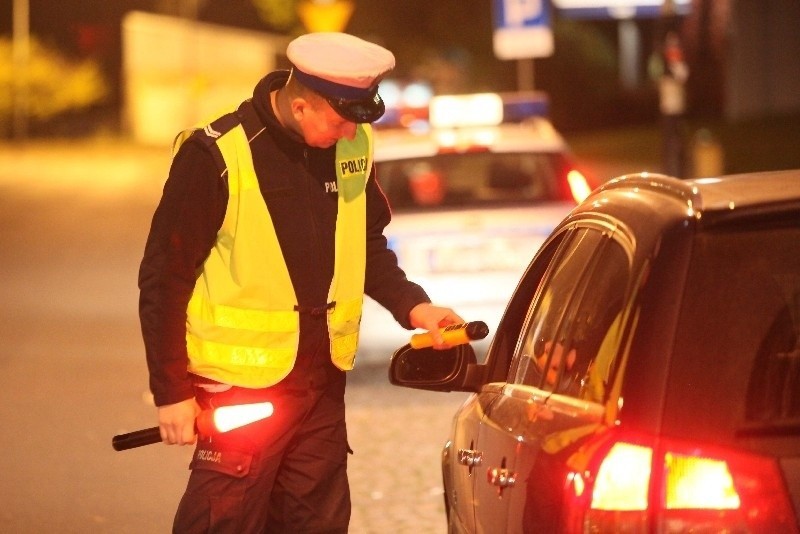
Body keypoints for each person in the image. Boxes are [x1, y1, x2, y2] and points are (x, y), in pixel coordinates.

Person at [138, 32, 464, 533]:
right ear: (299, 104)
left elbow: (365, 246)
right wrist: (172, 392)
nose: (346, 134)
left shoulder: (350, 142)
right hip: (239, 392)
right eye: (337, 122)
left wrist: (415, 308)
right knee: (221, 522)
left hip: (320, 388)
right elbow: (164, 279)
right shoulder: (217, 156)